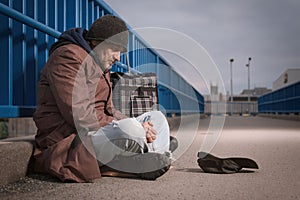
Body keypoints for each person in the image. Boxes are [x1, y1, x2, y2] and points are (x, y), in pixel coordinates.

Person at [33, 14, 177, 183]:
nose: (118, 58)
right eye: (115, 49)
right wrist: (135, 127)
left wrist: (139, 124)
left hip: (97, 131)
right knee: (130, 129)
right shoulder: (67, 57)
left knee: (156, 117)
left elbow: (109, 110)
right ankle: (147, 153)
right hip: (71, 141)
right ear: (97, 42)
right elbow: (79, 115)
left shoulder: (100, 63)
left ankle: (147, 154)